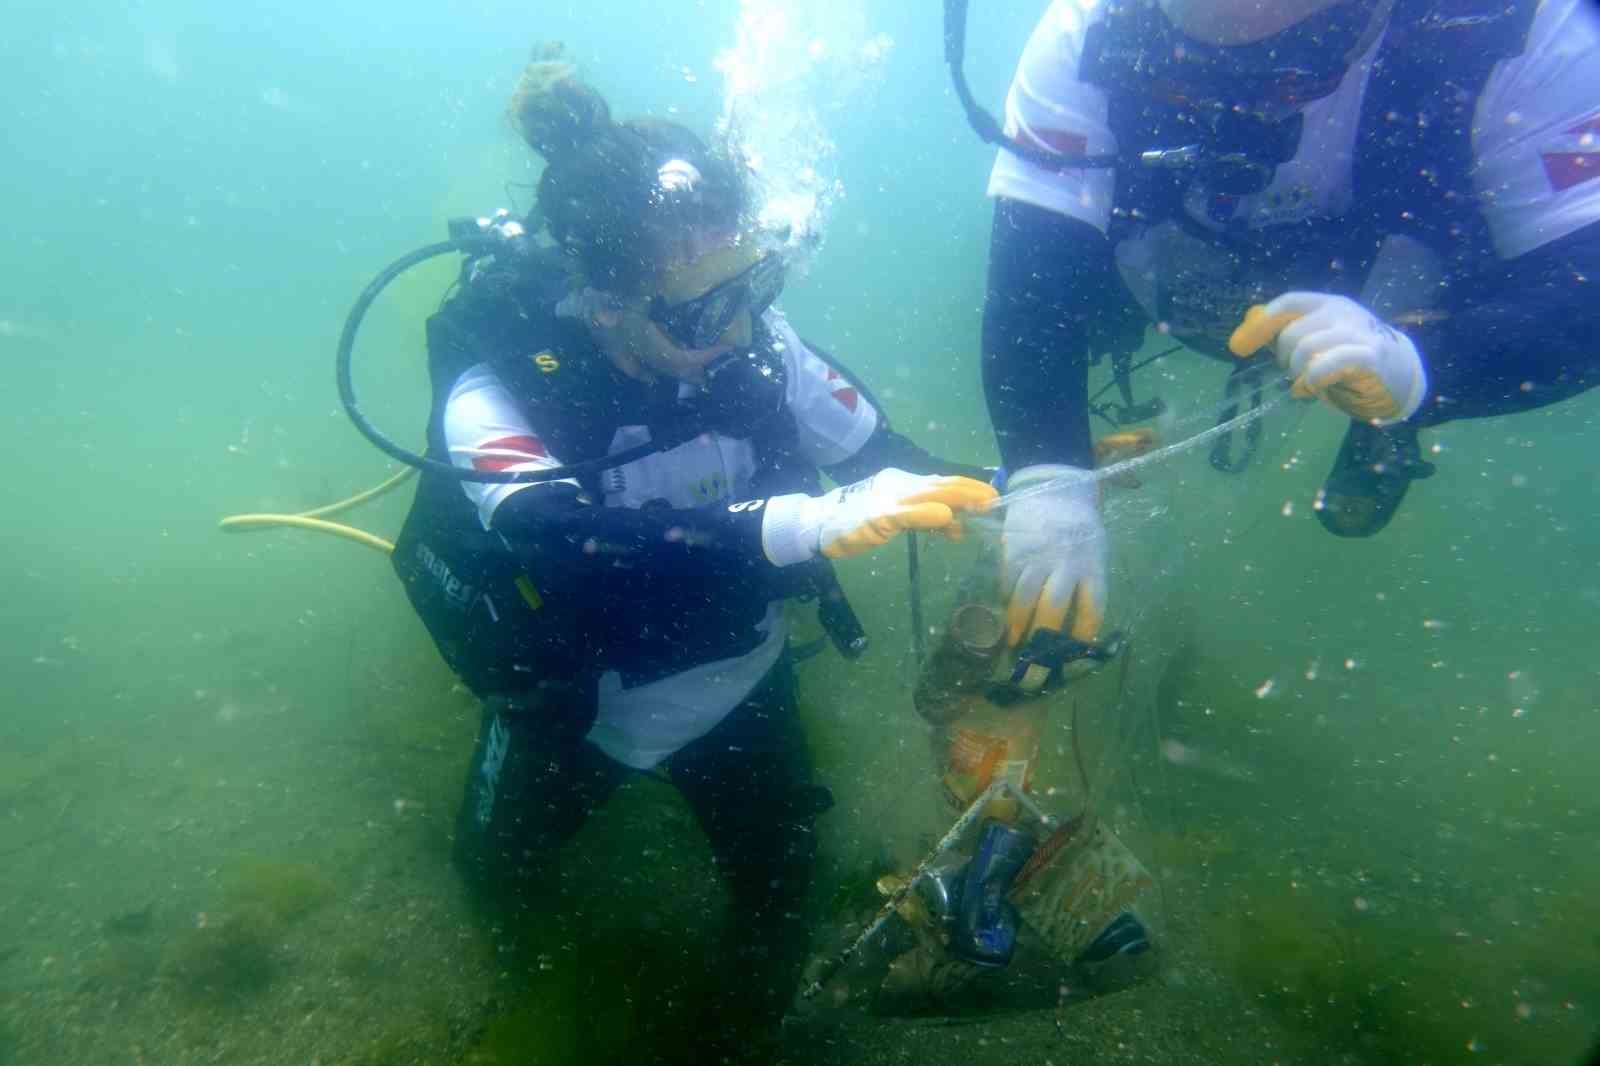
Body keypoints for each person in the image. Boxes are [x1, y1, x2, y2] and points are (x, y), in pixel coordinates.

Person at [388, 46, 996, 1053]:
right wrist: (794, 524)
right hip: (574, 697)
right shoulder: (498, 381)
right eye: (700, 305)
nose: (739, 322)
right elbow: (564, 545)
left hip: (737, 666)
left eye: (748, 282)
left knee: (777, 892)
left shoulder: (758, 341)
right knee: (499, 872)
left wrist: (1029, 496)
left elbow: (890, 458)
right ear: (603, 299)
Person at [975, 0, 1600, 647]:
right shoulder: (1092, 29)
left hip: (1408, 279)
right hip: (1169, 268)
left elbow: (1588, 288)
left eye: (1296, 56)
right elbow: (1031, 281)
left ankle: (1382, 410)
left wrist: (1424, 367)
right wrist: (1048, 474)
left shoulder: (1521, 26)